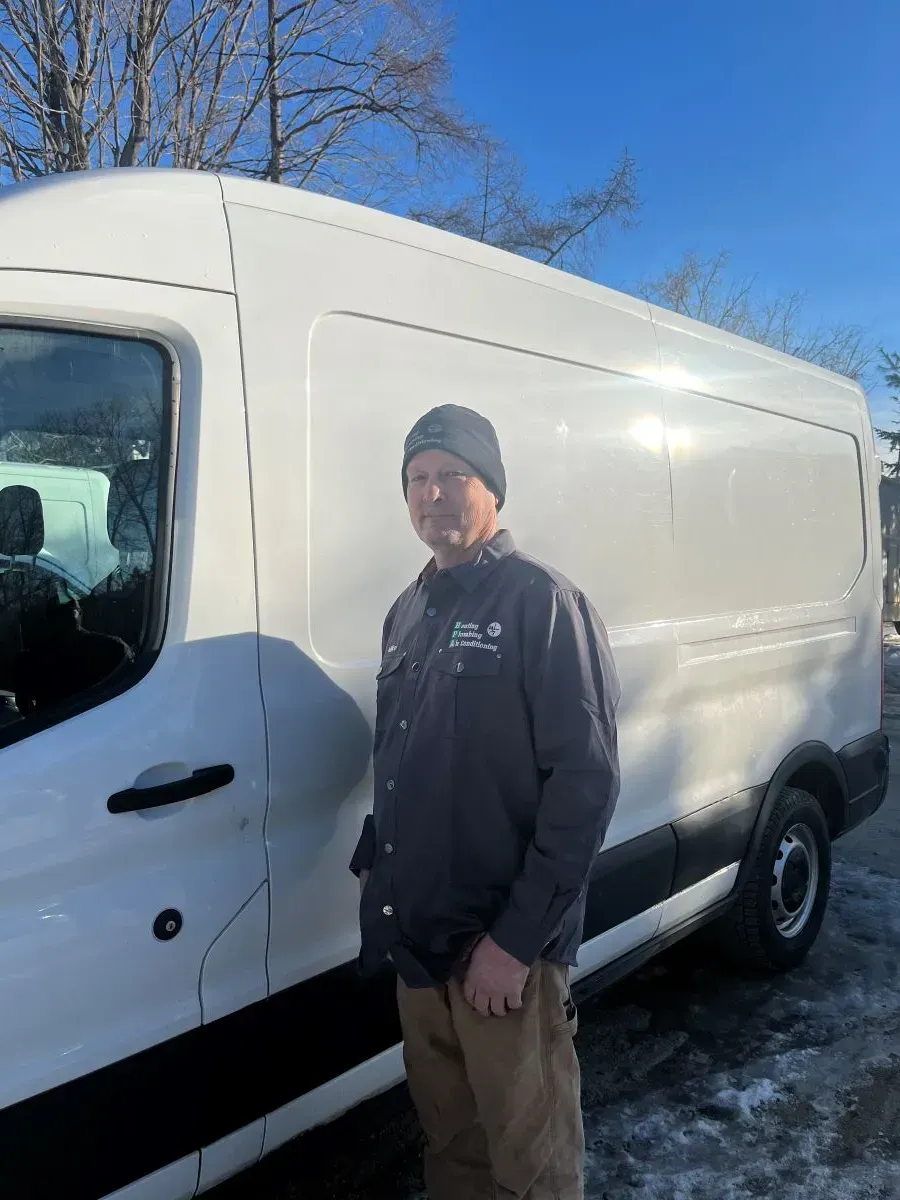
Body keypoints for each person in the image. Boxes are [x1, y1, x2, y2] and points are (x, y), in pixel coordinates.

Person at [350, 404, 620, 1200]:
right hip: (419, 940)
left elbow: (587, 783)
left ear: (491, 489)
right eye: (417, 479)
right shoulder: (409, 609)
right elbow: (402, 754)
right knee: (454, 1144)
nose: (432, 494)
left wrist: (515, 943)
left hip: (501, 955)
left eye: (452, 476)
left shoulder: (541, 604)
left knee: (529, 1162)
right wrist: (374, 863)